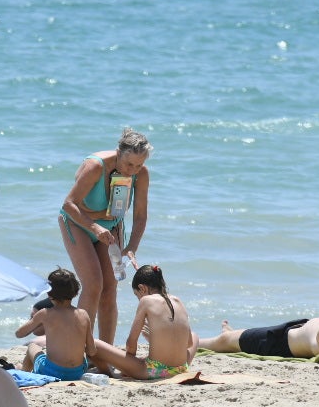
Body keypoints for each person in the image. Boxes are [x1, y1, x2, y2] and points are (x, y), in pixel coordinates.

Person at [58, 127, 152, 343]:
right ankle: (80, 348)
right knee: (93, 285)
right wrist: (95, 228)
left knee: (110, 289)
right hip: (78, 223)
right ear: (118, 153)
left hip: (112, 227)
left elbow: (140, 216)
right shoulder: (95, 167)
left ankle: (104, 353)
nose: (132, 171)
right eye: (129, 164)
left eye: (138, 165)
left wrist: (131, 247)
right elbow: (68, 204)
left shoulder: (141, 174)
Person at [91, 265, 197, 380]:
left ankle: (110, 374)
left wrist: (130, 362)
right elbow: (189, 343)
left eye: (137, 295)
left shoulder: (146, 301)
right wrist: (155, 340)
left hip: (154, 371)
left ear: (142, 288)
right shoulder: (177, 300)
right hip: (181, 368)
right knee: (194, 336)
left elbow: (131, 345)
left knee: (94, 344)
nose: (138, 299)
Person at [16, 268, 96, 381]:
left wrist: (36, 320)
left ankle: (23, 372)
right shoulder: (83, 314)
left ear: (49, 292)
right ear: (76, 291)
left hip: (52, 372)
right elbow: (92, 351)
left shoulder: (45, 313)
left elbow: (19, 334)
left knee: (32, 346)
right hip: (78, 373)